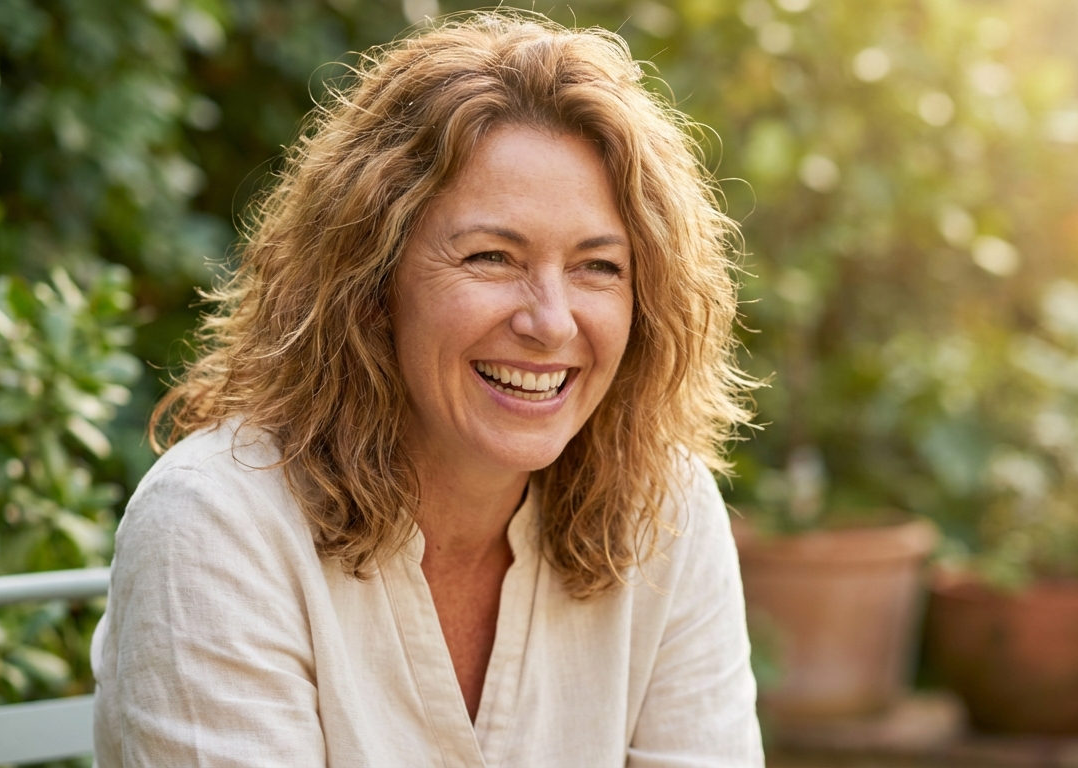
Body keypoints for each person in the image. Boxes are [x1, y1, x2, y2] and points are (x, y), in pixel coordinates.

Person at [89, 10, 763, 767]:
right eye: (491, 257)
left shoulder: (662, 509)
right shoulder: (215, 525)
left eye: (598, 267)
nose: (550, 322)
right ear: (370, 282)